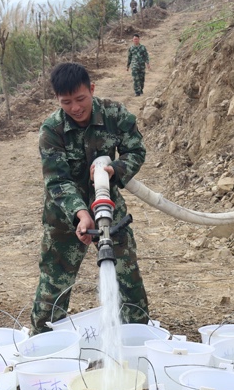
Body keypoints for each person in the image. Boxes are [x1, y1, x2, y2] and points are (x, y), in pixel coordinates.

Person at [30, 62, 150, 334]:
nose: (75, 108)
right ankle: (42, 345)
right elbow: (58, 180)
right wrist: (80, 214)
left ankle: (139, 338)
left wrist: (115, 169)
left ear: (92, 89)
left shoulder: (114, 114)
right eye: (66, 102)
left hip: (109, 212)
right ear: (57, 100)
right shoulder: (52, 130)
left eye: (81, 99)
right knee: (54, 285)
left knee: (127, 279)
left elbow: (136, 151)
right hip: (65, 219)